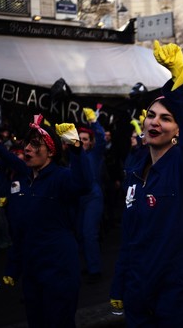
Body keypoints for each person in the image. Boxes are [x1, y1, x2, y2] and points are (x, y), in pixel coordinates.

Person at [109, 41, 183, 326]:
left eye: (166, 119)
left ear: (179, 130)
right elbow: (129, 239)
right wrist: (120, 285)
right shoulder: (135, 170)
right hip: (140, 296)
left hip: (179, 297)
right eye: (151, 115)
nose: (155, 122)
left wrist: (181, 76)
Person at [0, 115, 92, 328]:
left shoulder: (61, 177)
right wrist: (14, 268)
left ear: (51, 151)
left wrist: (76, 147)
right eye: (26, 144)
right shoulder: (26, 182)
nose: (27, 149)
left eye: (35, 145)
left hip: (59, 271)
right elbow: (22, 231)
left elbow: (84, 183)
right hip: (33, 273)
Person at [76, 108, 106, 284]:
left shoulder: (94, 154)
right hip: (79, 198)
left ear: (90, 142)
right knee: (80, 233)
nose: (82, 141)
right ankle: (88, 264)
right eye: (80, 139)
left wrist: (94, 122)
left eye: (85, 139)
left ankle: (95, 269)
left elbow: (101, 138)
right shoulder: (74, 155)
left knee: (89, 233)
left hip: (93, 197)